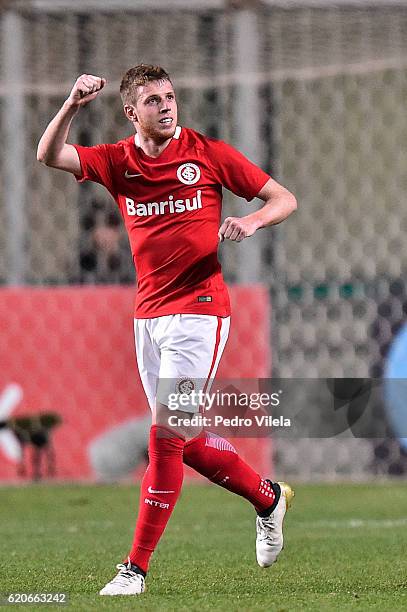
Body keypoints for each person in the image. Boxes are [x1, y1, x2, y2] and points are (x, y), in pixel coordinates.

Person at [37, 64, 297, 596]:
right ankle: (267, 497)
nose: (166, 105)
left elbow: (283, 199)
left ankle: (135, 569)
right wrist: (71, 105)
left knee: (163, 437)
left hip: (201, 311)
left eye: (170, 96)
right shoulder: (116, 161)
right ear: (132, 112)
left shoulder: (207, 153)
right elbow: (48, 155)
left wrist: (250, 222)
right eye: (153, 100)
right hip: (149, 317)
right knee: (185, 436)